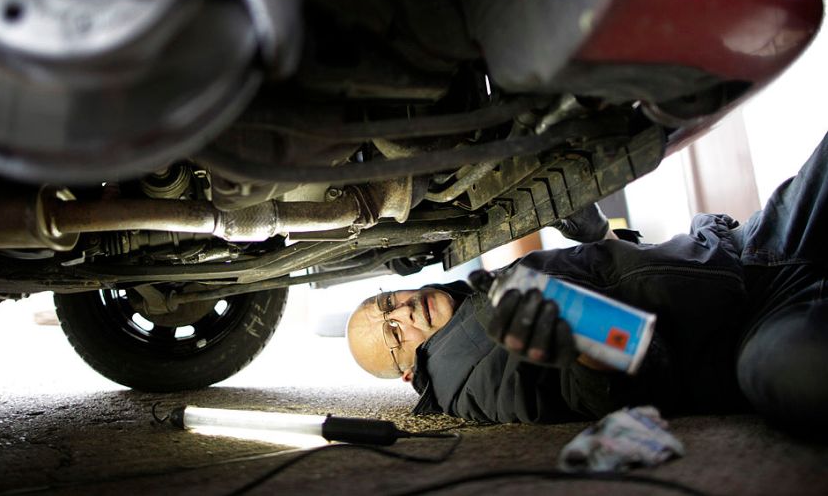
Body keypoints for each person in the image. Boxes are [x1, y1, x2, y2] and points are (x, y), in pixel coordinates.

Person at [346, 132, 828, 433]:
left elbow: (625, 271)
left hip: (749, 243)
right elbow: (615, 390)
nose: (402, 312)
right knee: (806, 376)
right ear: (409, 373)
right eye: (393, 333)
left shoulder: (481, 292)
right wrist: (581, 334)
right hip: (746, 337)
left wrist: (598, 234)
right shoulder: (467, 383)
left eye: (389, 301)